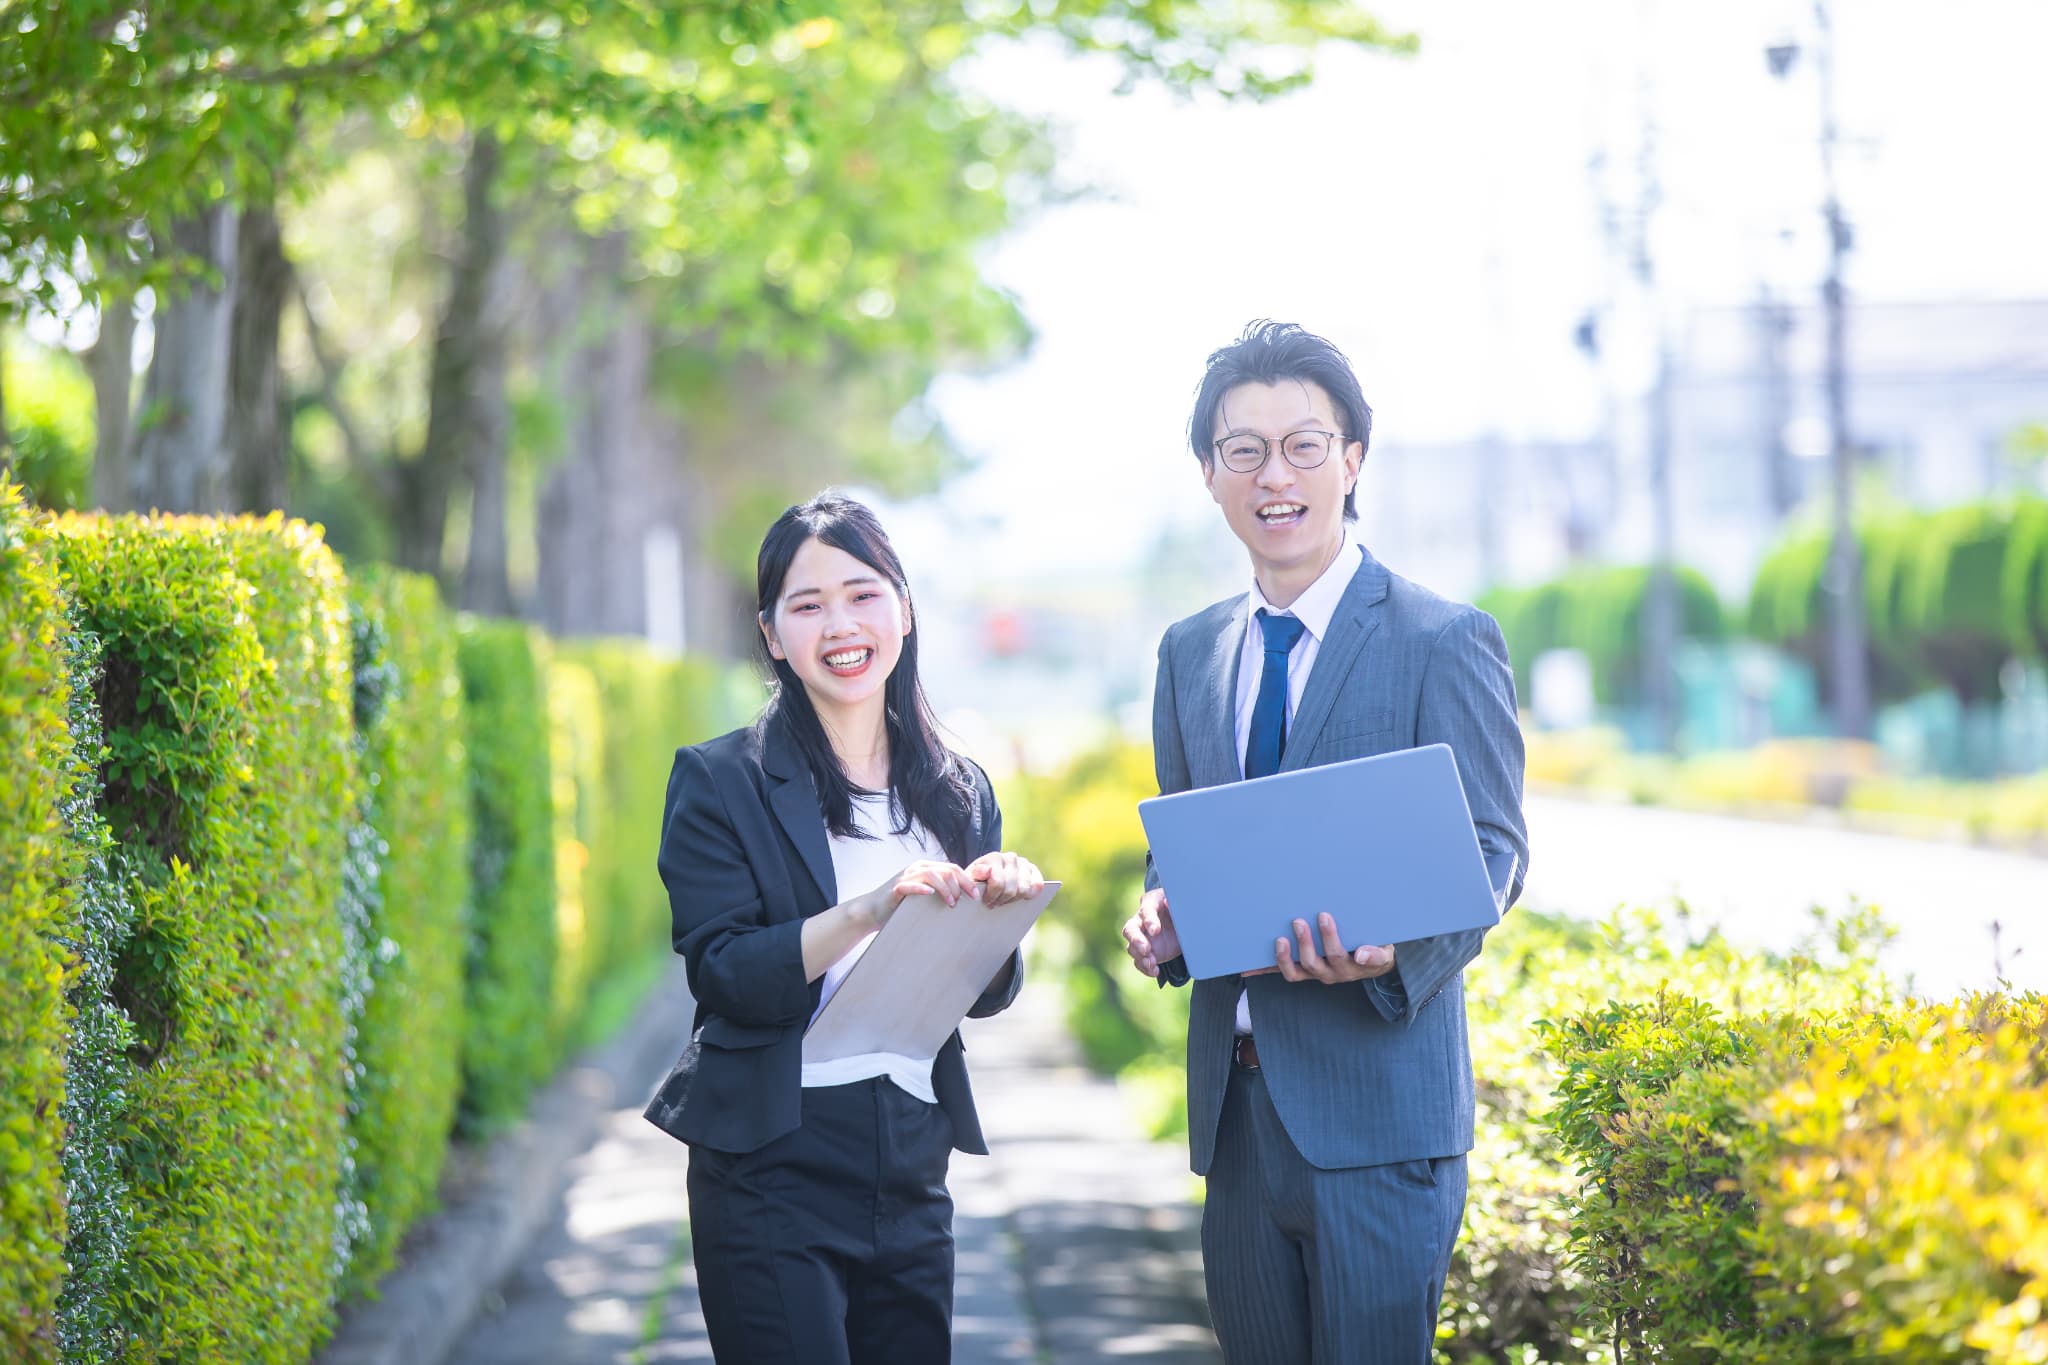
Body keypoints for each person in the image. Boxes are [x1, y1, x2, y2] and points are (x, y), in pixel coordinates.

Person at [1120, 321, 1529, 1364]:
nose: (1274, 474)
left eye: (1304, 444)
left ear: (1351, 460)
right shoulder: (1188, 654)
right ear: (1208, 474)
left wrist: (1397, 950)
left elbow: (1492, 851)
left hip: (1378, 1115)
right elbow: (1186, 842)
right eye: (1241, 449)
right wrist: (1163, 914)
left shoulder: (1440, 638)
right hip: (1237, 1121)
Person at [645, 491, 1042, 1364]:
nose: (842, 624)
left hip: (909, 1158)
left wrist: (1004, 914)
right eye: (809, 604)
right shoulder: (721, 781)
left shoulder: (959, 788)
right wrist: (870, 910)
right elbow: (725, 973)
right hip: (769, 1161)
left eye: (863, 593)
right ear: (773, 633)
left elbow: (982, 994)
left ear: (902, 607)